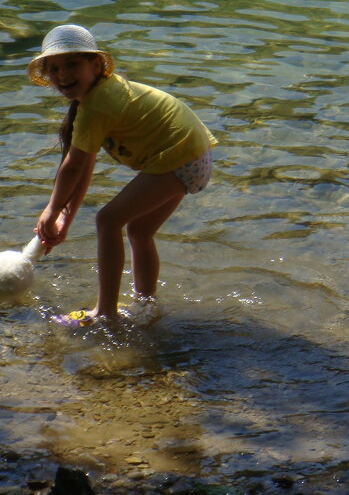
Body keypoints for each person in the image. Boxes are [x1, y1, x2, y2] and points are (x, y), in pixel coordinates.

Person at [27, 24, 217, 327]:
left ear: (96, 65)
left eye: (72, 64)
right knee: (139, 231)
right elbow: (84, 168)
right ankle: (146, 305)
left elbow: (73, 167)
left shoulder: (97, 106)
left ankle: (105, 313)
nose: (63, 75)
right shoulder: (99, 98)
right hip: (193, 155)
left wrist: (51, 211)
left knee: (107, 220)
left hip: (179, 155)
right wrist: (66, 217)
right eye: (54, 69)